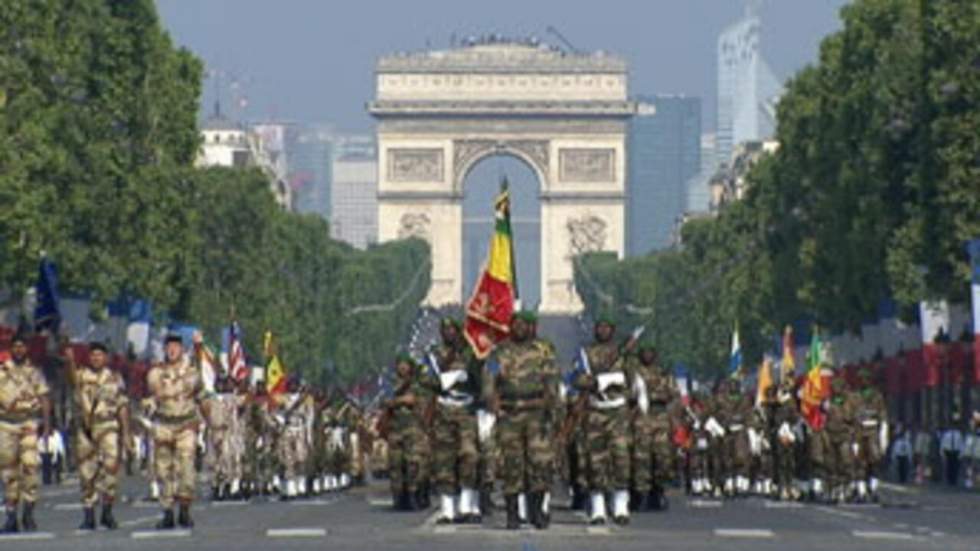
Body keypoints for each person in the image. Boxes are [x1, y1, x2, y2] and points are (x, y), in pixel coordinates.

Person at [486, 312, 557, 530]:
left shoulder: (543, 351)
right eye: (514, 323)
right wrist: (492, 403)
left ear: (530, 327)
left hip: (536, 413)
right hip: (509, 414)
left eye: (523, 324)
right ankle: (512, 514)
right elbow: (489, 380)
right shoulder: (499, 353)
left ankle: (536, 512)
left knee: (540, 464)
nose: (519, 328)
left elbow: (552, 380)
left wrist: (551, 407)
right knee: (511, 464)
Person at [573, 317, 636, 525]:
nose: (602, 331)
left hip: (617, 411)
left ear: (613, 330)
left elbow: (632, 381)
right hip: (595, 411)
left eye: (606, 327)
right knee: (595, 462)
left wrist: (614, 380)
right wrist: (594, 381)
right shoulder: (586, 352)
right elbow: (578, 378)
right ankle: (598, 508)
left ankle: (620, 506)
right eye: (599, 327)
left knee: (621, 458)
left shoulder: (624, 355)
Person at [65, 341, 132, 530]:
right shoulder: (81, 376)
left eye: (100, 355)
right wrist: (69, 361)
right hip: (86, 428)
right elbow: (70, 379)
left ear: (106, 357)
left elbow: (122, 406)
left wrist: (126, 433)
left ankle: (107, 511)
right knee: (87, 473)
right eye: (93, 355)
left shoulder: (114, 378)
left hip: (108, 425)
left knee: (111, 467)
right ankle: (88, 513)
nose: (96, 358)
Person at [146, 332, 210, 529]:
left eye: (176, 346)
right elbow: (152, 398)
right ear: (165, 350)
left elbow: (202, 397)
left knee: (186, 469)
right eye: (169, 347)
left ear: (182, 349)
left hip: (186, 426)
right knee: (163, 470)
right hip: (164, 426)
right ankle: (167, 512)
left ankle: (184, 510)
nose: (172, 350)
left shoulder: (191, 373)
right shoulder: (155, 374)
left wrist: (208, 425)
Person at [427, 318, 482, 524]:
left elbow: (479, 379)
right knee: (444, 459)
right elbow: (428, 380)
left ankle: (467, 506)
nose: (448, 333)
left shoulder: (471, 354)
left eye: (452, 329)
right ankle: (447, 510)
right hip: (444, 409)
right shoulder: (434, 354)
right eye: (445, 330)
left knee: (469, 456)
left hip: (466, 409)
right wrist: (450, 373)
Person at [0, 332, 52, 533]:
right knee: (8, 473)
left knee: (31, 467)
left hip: (29, 423)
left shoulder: (35, 373)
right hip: (6, 425)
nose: (19, 349)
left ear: (27, 349)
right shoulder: (2, 372)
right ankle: (11, 515)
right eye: (16, 346)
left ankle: (28, 512)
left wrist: (47, 426)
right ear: (11, 349)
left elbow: (45, 398)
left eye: (22, 346)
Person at [629, 343, 678, 511]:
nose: (647, 355)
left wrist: (656, 396)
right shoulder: (634, 374)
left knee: (662, 458)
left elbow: (672, 393)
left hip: (660, 419)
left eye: (651, 352)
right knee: (641, 459)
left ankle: (658, 492)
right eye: (645, 352)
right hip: (640, 419)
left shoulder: (663, 373)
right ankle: (640, 495)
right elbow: (628, 393)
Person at [382, 355, 426, 511]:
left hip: (413, 429)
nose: (402, 367)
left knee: (413, 463)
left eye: (405, 364)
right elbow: (386, 401)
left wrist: (401, 400)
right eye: (400, 364)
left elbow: (418, 401)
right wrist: (401, 400)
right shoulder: (390, 383)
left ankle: (413, 494)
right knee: (396, 465)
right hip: (395, 429)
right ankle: (398, 497)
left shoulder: (417, 384)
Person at [852, 368, 887, 501]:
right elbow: (851, 415)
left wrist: (883, 435)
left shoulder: (877, 396)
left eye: (866, 379)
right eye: (861, 379)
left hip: (873, 432)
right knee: (860, 463)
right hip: (859, 432)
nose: (863, 381)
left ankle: (873, 489)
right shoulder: (855, 396)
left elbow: (882, 415)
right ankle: (861, 491)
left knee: (875, 462)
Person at [940, 419, 964, 487]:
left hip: (956, 452)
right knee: (949, 466)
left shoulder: (958, 434)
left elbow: (961, 444)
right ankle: (949, 480)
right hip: (948, 452)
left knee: (955, 467)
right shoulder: (946, 434)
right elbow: (943, 444)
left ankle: (954, 480)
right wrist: (942, 452)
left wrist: (961, 454)